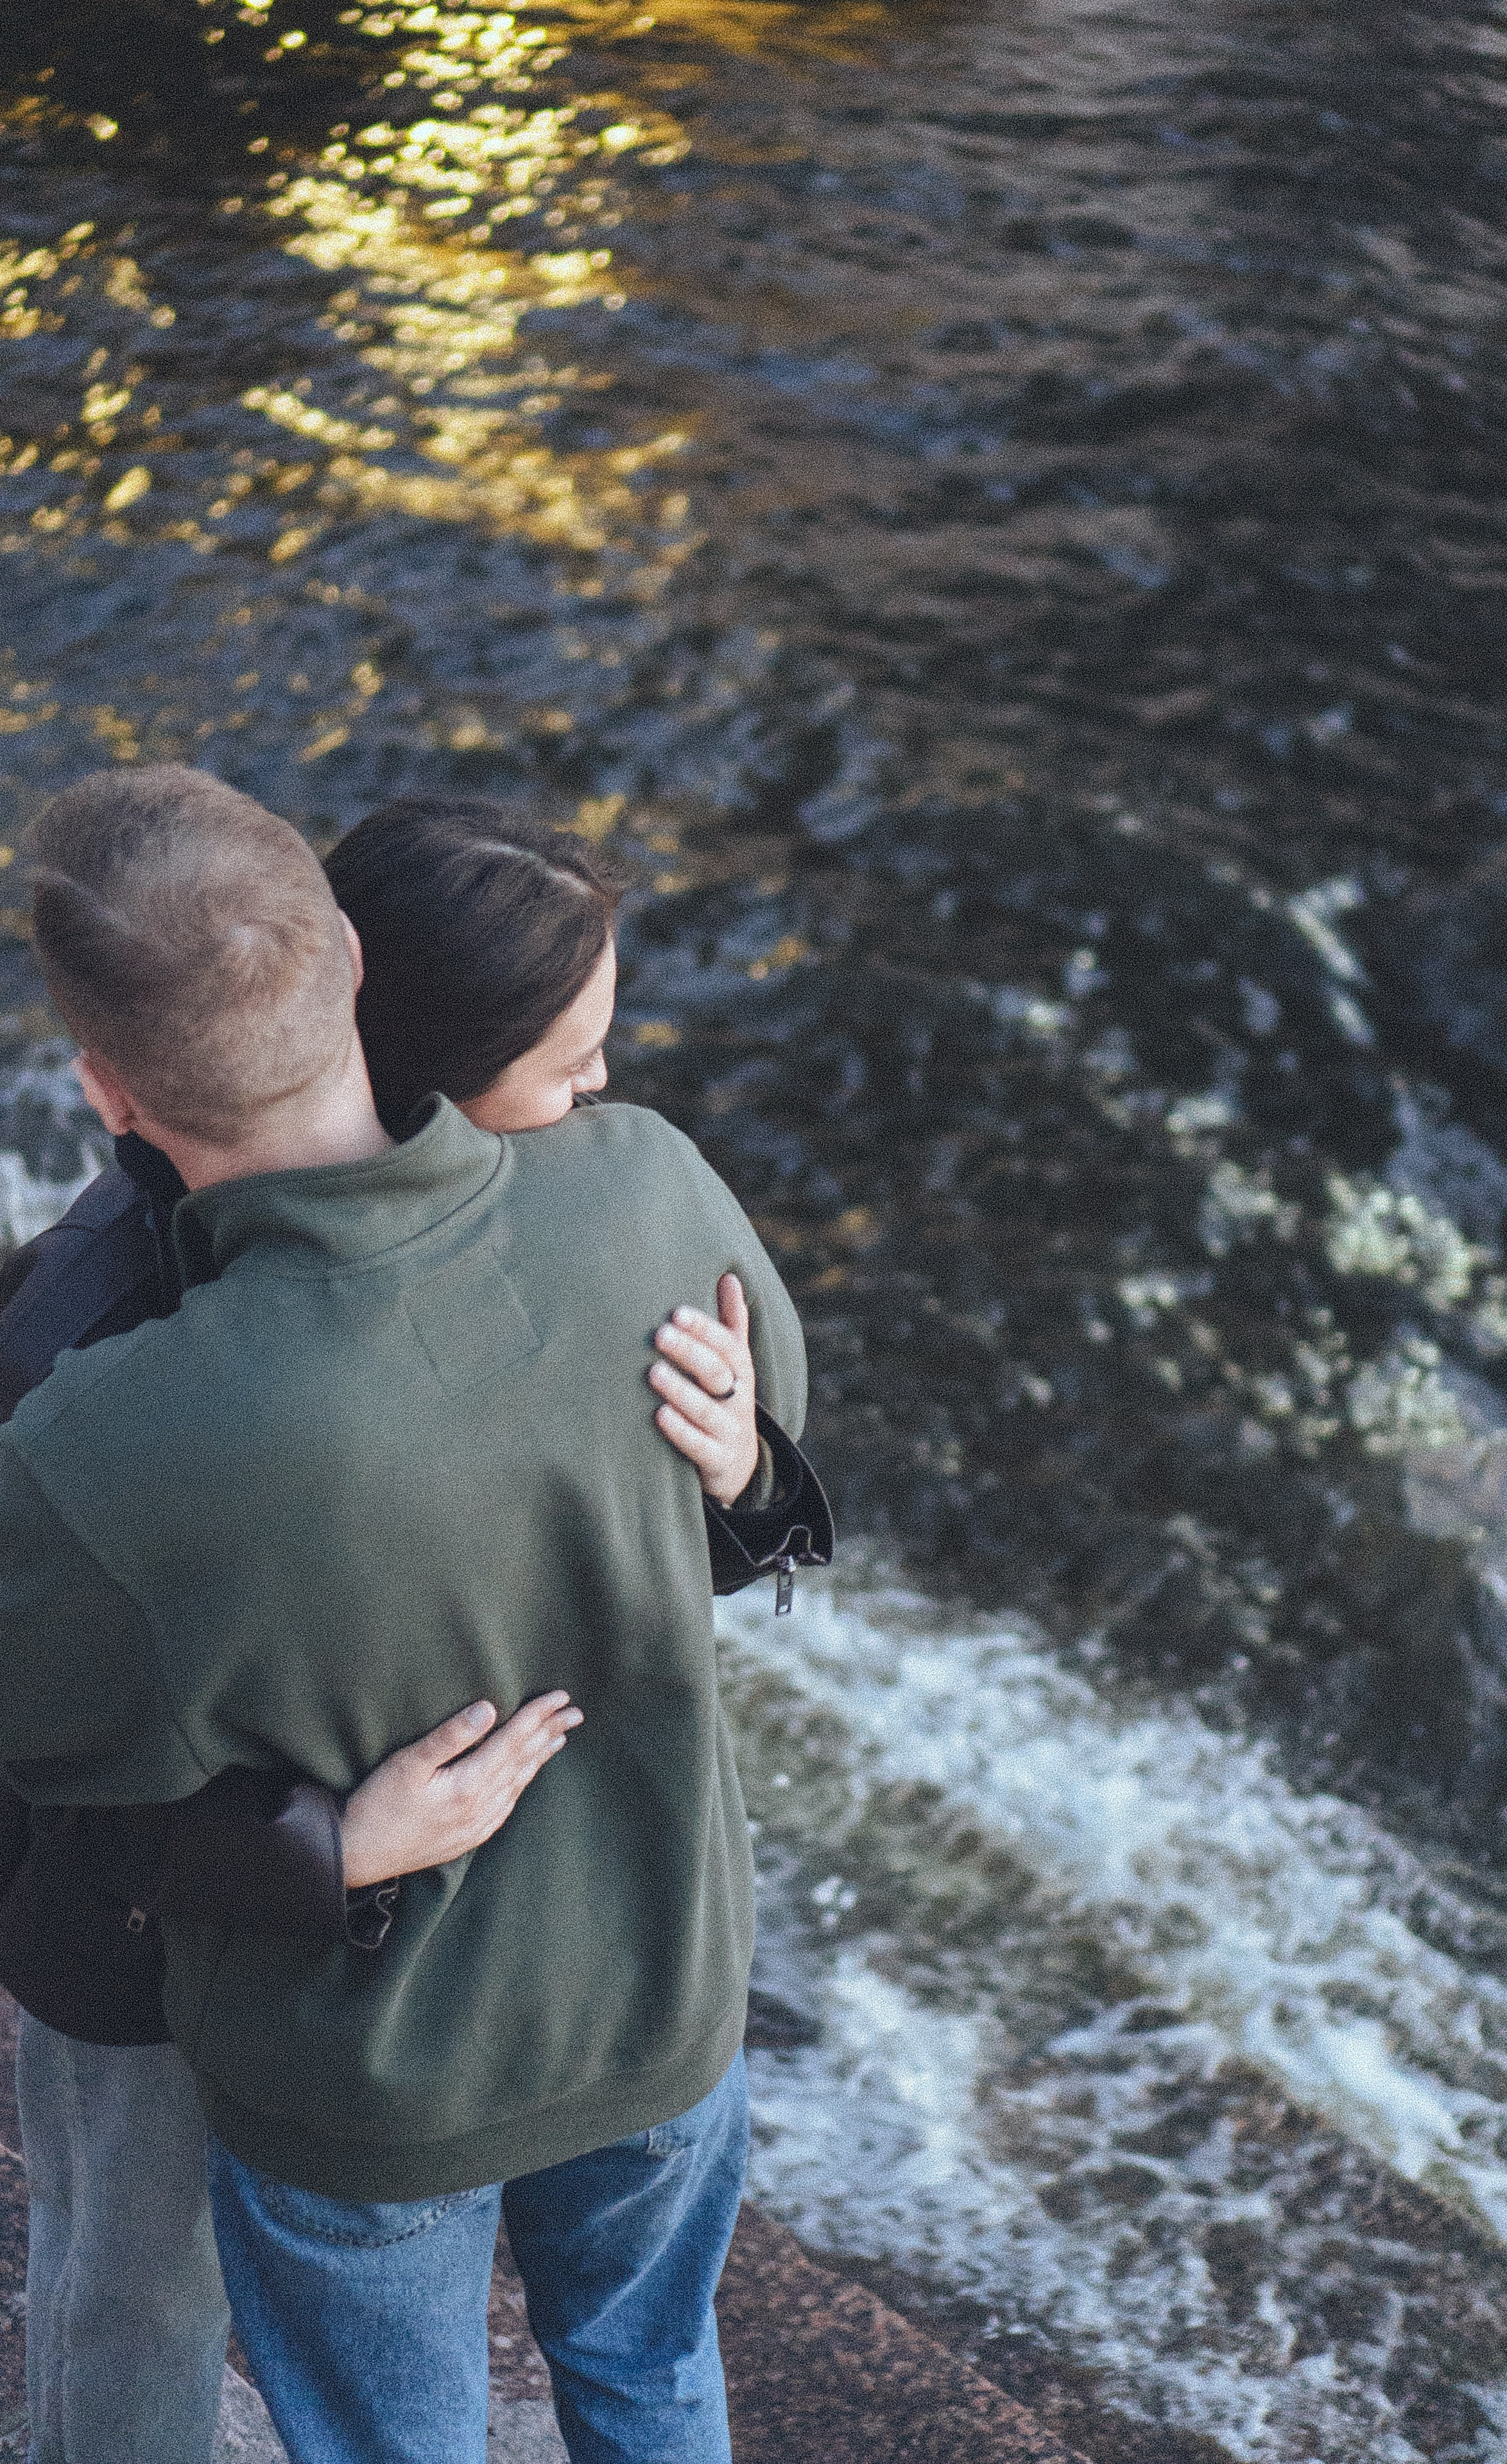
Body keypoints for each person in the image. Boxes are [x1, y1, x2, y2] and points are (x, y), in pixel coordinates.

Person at [0, 773, 822, 2464]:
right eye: (578, 1055)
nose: (601, 1085)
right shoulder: (648, 1186)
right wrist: (745, 1466)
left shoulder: (93, 1429)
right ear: (358, 972)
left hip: (370, 2071)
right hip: (662, 1989)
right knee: (654, 2374)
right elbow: (724, 1500)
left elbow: (49, 1762)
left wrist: (325, 1849)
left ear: (102, 1086)